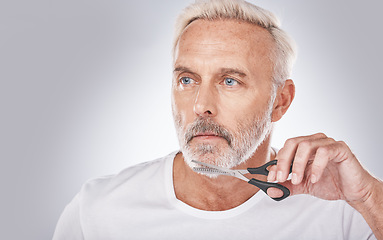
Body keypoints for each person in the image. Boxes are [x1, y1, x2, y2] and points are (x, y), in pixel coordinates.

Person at [53, 0, 383, 239]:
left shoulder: (346, 209)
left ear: (280, 102)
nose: (201, 105)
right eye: (187, 80)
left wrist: (367, 197)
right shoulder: (97, 212)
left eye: (230, 81)